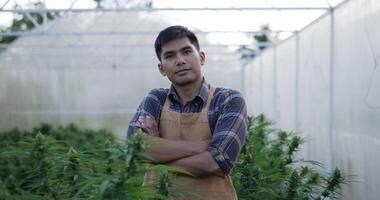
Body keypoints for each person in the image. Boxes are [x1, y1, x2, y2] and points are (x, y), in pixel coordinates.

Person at [127, 25, 247, 199]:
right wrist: (203, 146)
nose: (180, 60)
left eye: (186, 52)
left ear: (202, 57)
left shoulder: (227, 100)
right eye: (170, 56)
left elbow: (217, 161)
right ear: (161, 68)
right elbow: (136, 148)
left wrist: (157, 157)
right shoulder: (156, 99)